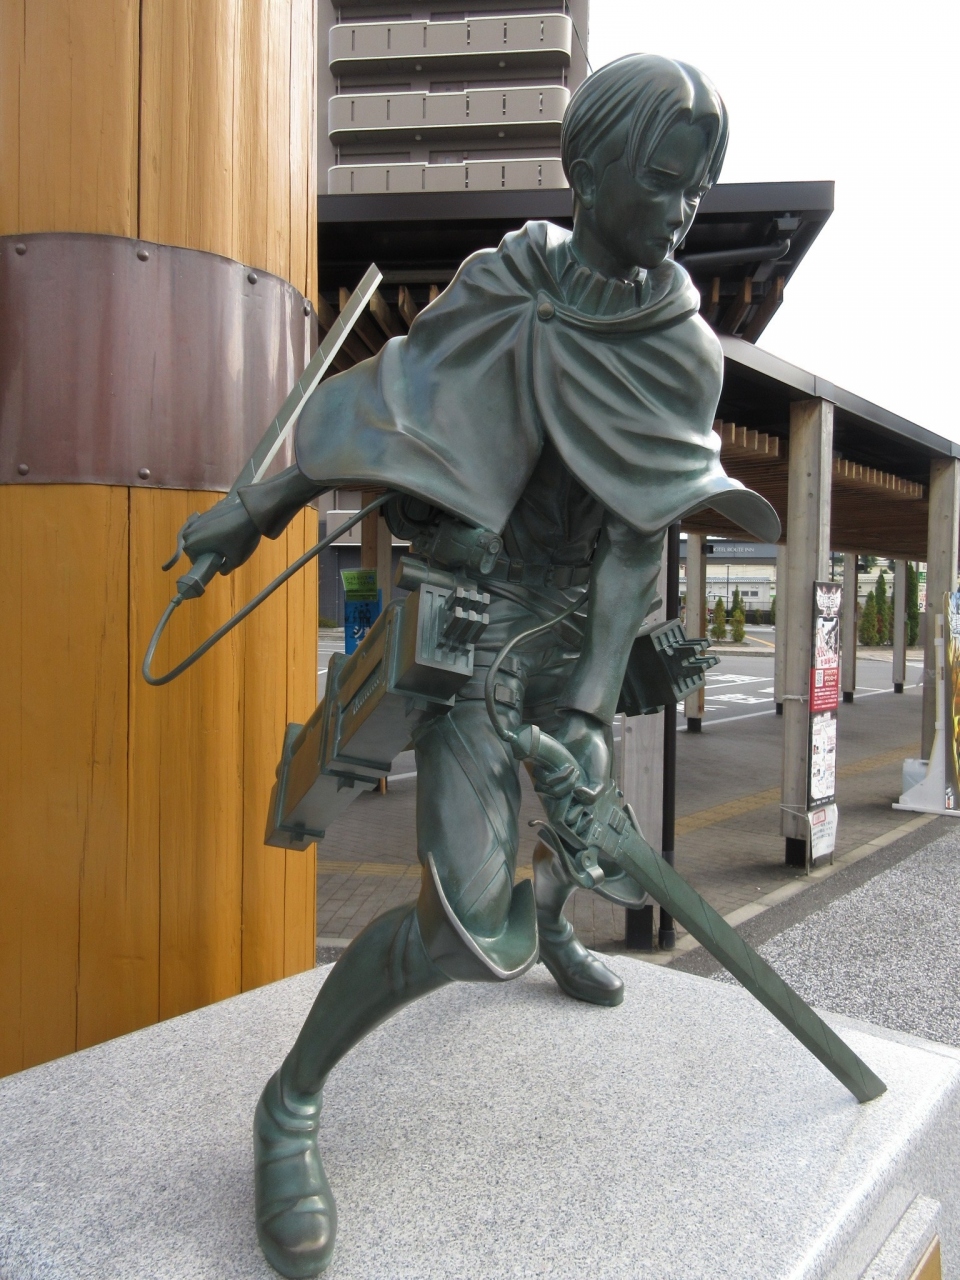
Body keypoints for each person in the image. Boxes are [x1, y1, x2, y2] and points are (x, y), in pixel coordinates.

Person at [182, 53, 779, 1278]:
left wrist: (593, 711)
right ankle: (290, 1102)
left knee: (581, 806)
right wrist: (257, 510)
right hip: (480, 617)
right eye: (666, 182)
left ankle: (551, 917)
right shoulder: (505, 279)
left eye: (700, 189)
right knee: (460, 922)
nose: (685, 211)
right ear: (592, 170)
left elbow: (638, 543)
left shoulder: (684, 348)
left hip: (585, 621)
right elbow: (389, 397)